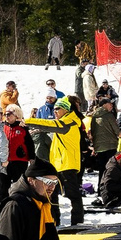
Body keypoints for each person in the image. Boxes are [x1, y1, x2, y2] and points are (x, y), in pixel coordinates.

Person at [45, 98, 86, 228]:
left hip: (67, 165)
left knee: (73, 195)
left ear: (66, 109)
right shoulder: (64, 122)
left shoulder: (69, 122)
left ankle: (77, 223)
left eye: (57, 109)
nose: (55, 111)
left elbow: (46, 124)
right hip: (57, 165)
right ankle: (55, 222)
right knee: (52, 196)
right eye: (54, 109)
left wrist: (28, 121)